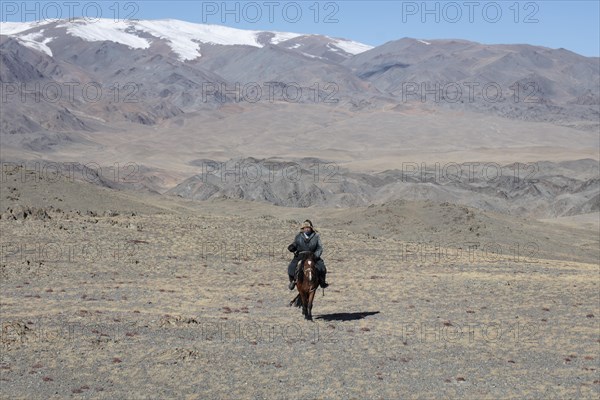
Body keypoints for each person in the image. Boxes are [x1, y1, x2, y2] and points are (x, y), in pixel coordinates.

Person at [287, 219, 329, 290]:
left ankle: (322, 282)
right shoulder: (298, 236)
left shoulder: (316, 236)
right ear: (303, 229)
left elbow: (320, 247)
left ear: (311, 228)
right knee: (291, 267)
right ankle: (293, 281)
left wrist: (316, 255)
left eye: (308, 228)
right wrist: (292, 247)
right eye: (305, 228)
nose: (307, 229)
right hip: (300, 255)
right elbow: (295, 244)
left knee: (322, 267)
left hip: (312, 255)